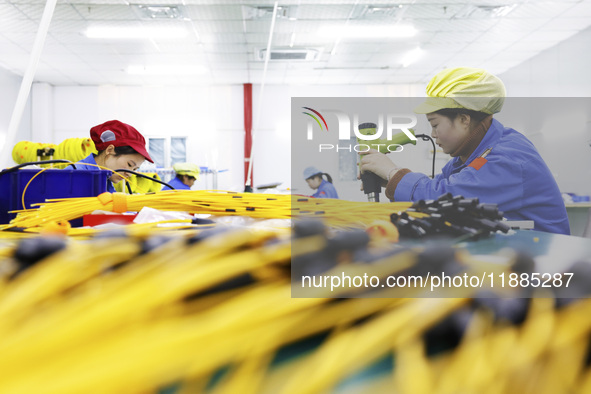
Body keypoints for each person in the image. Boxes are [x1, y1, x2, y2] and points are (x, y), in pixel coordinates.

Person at [359, 67, 570, 235]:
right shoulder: (472, 155)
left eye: (434, 124)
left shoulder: (507, 157)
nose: (433, 134)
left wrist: (393, 173)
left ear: (463, 119)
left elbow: (444, 199)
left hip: (540, 263)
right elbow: (439, 187)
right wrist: (389, 180)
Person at [74, 120, 153, 193]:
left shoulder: (105, 180)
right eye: (130, 165)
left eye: (134, 169)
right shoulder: (75, 176)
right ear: (110, 150)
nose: (129, 174)